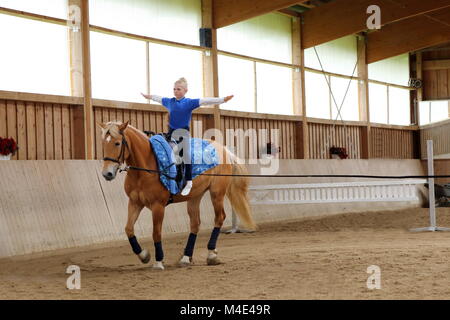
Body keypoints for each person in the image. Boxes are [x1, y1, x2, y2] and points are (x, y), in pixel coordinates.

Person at [141, 77, 233, 196]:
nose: (175, 91)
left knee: (186, 155)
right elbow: (157, 98)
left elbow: (205, 101)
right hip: (170, 133)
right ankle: (167, 178)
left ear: (185, 91)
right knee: (162, 151)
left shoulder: (189, 102)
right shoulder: (169, 101)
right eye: (174, 89)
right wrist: (148, 96)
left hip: (183, 133)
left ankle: (189, 182)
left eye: (178, 89)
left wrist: (223, 100)